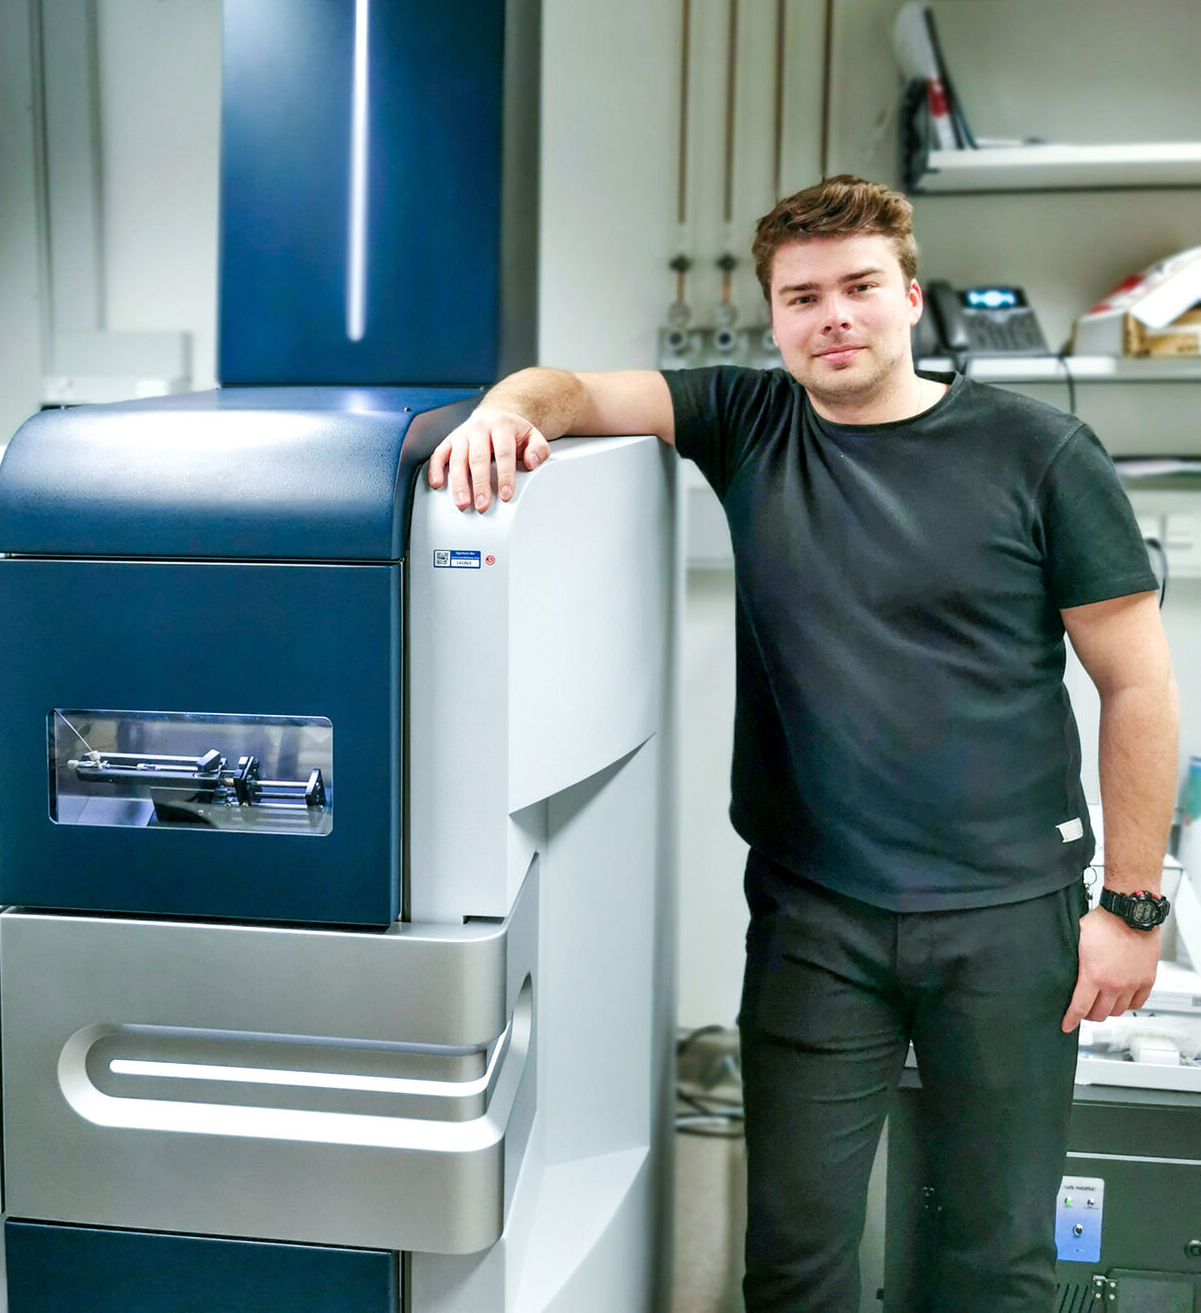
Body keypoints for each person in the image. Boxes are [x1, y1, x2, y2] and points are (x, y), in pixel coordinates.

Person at [426, 175, 1179, 1313]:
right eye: (803, 296)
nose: (834, 316)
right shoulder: (747, 421)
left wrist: (1131, 909)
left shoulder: (1041, 454)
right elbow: (570, 386)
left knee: (994, 1260)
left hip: (1008, 918)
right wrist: (509, 412)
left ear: (910, 297)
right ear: (774, 318)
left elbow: (1139, 688)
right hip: (816, 920)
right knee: (795, 1263)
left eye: (860, 287)